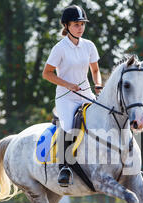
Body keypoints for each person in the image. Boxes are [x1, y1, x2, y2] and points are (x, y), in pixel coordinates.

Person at [42, 4, 103, 187]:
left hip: (86, 94)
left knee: (104, 118)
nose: (80, 27)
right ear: (67, 26)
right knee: (69, 127)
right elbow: (47, 73)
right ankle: (64, 167)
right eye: (76, 24)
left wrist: (98, 85)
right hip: (65, 97)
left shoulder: (89, 45)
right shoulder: (59, 48)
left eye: (82, 24)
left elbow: (95, 69)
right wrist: (68, 84)